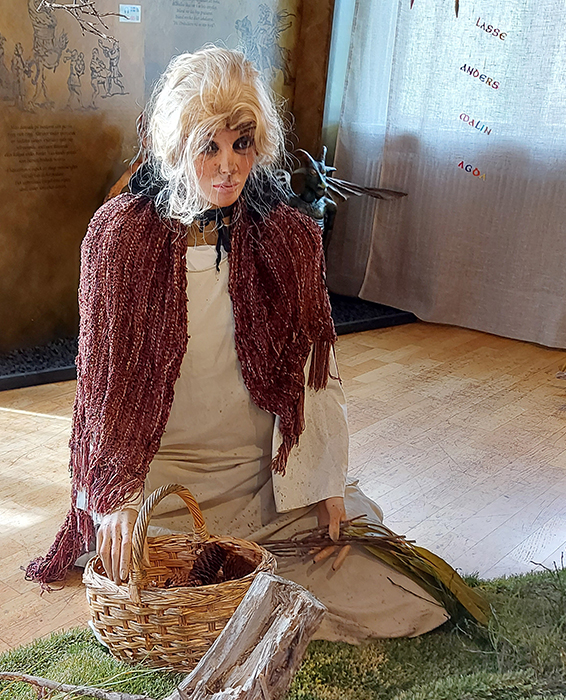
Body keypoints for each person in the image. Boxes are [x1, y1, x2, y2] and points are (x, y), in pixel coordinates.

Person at [27, 46, 448, 641]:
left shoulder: (288, 236)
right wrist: (113, 496)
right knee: (180, 590)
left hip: (261, 479)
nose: (228, 167)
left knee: (386, 579)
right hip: (160, 483)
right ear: (177, 147)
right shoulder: (119, 237)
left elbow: (315, 372)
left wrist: (323, 483)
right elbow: (103, 385)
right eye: (209, 147)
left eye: (242, 144)